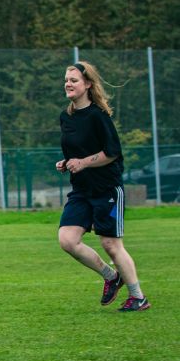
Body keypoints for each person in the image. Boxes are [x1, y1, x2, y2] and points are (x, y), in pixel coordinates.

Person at [56, 60, 150, 312]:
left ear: (87, 84)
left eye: (74, 80)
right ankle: (111, 277)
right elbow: (78, 152)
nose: (68, 83)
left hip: (107, 190)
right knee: (67, 240)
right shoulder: (66, 117)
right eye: (66, 79)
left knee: (111, 244)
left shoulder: (99, 116)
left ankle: (138, 297)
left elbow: (112, 153)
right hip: (81, 191)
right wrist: (67, 163)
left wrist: (83, 162)